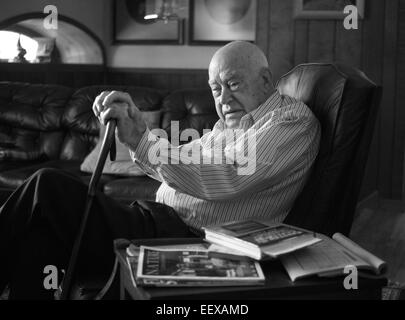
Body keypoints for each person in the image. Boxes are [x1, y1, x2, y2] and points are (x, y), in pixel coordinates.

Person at [0, 41, 320, 299]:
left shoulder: (288, 122)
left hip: (188, 240)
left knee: (48, 186)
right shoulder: (227, 126)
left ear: (265, 79)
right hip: (157, 221)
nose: (223, 97)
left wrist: (142, 142)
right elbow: (184, 158)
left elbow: (230, 176)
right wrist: (140, 130)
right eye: (215, 88)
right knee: (39, 230)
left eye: (232, 83)